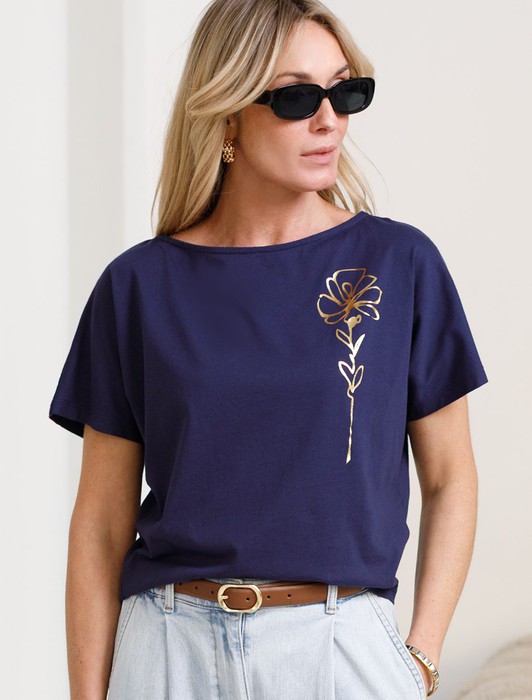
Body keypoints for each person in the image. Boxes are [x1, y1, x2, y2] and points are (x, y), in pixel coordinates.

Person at [48, 1, 489, 698]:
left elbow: (451, 477)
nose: (329, 120)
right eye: (295, 98)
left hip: (337, 647)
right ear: (227, 115)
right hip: (167, 650)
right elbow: (100, 523)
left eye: (345, 91)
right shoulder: (138, 287)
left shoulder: (398, 264)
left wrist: (420, 658)